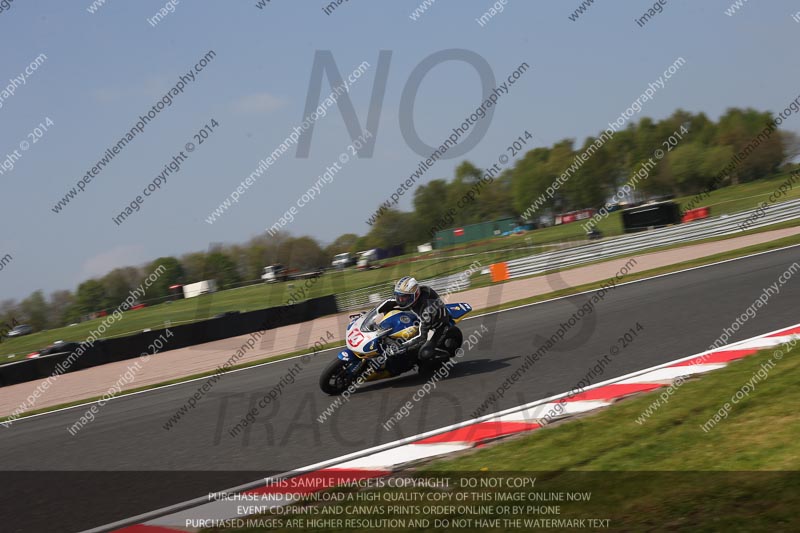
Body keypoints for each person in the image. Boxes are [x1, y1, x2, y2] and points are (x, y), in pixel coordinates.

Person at [377, 276, 449, 365]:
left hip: (436, 326)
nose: (400, 300)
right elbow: (387, 303)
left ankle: (441, 358)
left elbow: (422, 337)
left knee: (424, 353)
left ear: (415, 295)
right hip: (420, 316)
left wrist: (401, 347)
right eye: (398, 296)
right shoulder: (409, 296)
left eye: (403, 297)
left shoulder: (426, 310)